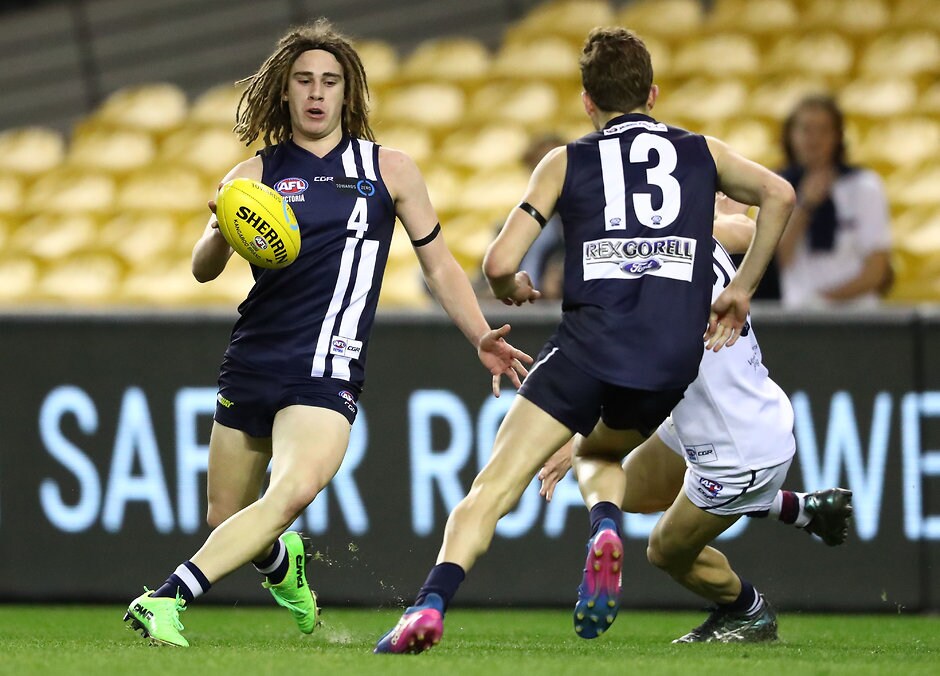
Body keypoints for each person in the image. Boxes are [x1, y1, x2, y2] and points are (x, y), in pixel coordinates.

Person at [374, 27, 795, 654]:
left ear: (586, 102)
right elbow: (779, 195)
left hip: (587, 350)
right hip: (666, 367)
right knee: (597, 454)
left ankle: (430, 604)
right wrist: (741, 290)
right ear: (652, 93)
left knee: (491, 489)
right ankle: (606, 525)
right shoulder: (701, 152)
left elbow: (497, 262)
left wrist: (514, 287)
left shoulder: (565, 160)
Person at [122, 18, 531, 648]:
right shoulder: (253, 172)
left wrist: (479, 335)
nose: (317, 93)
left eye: (330, 82)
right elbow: (203, 272)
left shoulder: (388, 170)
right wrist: (217, 228)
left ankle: (166, 599)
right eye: (304, 81)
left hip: (328, 366)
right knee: (226, 517)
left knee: (290, 493)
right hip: (254, 357)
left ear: (349, 94)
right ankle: (285, 566)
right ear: (284, 93)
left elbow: (439, 263)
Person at [537, 210, 853, 643]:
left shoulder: (644, 291)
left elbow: (632, 394)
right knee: (621, 488)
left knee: (665, 550)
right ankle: (797, 509)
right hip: (723, 416)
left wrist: (574, 440)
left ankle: (748, 612)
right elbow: (748, 228)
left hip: (738, 452)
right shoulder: (694, 234)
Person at [776, 94, 893, 308]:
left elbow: (877, 268)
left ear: (838, 136)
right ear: (790, 135)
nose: (814, 139)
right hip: (797, 314)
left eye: (823, 130)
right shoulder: (776, 186)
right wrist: (805, 206)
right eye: (805, 129)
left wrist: (825, 302)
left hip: (857, 313)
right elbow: (777, 261)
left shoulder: (864, 185)